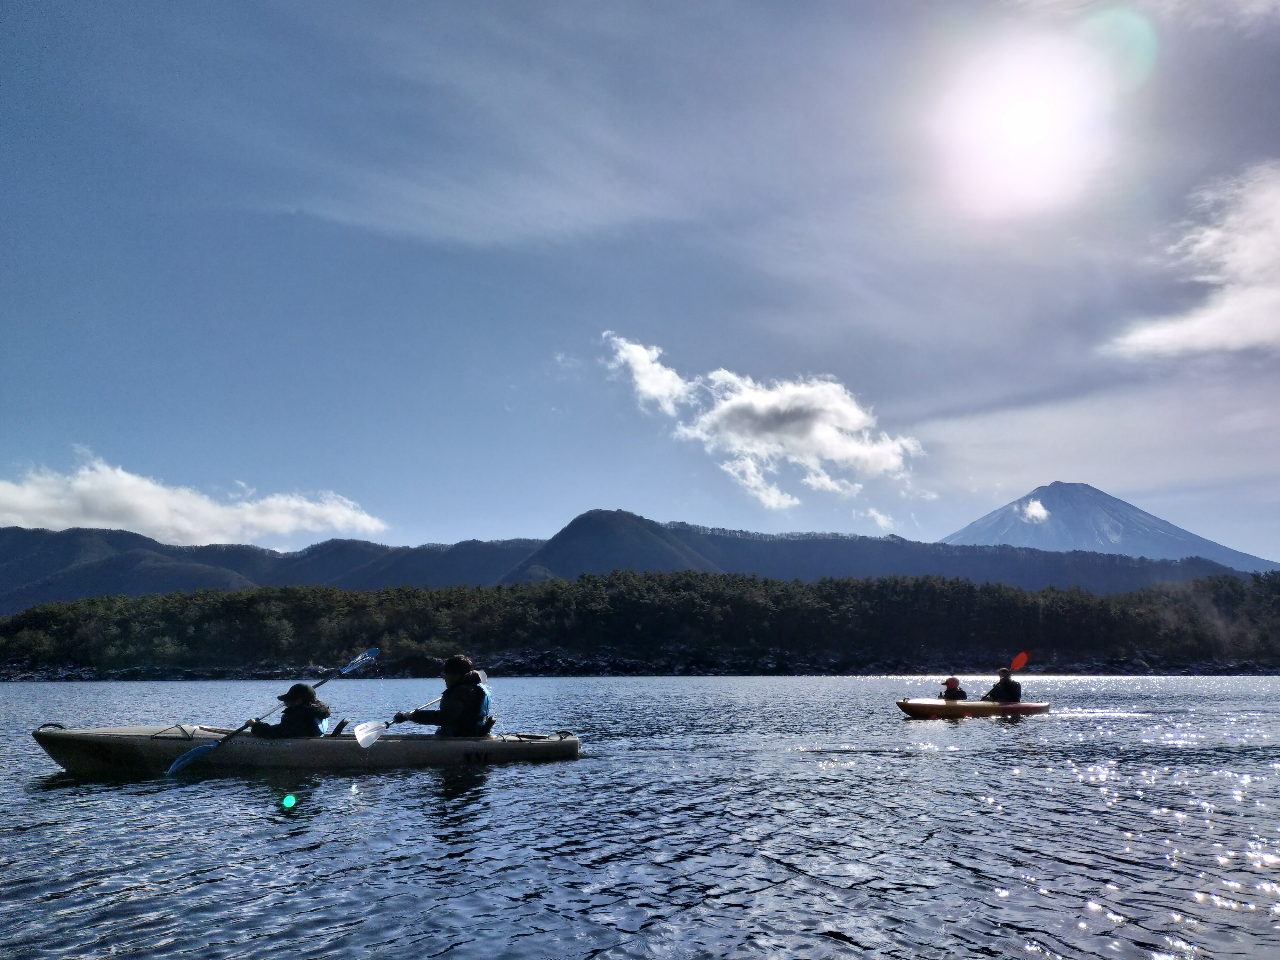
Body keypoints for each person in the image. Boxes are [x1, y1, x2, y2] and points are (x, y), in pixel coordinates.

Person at [395, 654, 494, 737]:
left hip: (460, 739)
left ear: (457, 675)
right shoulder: (473, 688)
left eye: (447, 673)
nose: (444, 677)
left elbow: (444, 717)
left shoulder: (461, 692)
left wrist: (411, 716)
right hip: (476, 735)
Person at [250, 683, 331, 738]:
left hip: (301, 745)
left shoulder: (299, 715)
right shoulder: (318, 710)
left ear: (299, 701)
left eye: (289, 700)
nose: (286, 703)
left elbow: (278, 732)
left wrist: (256, 726)